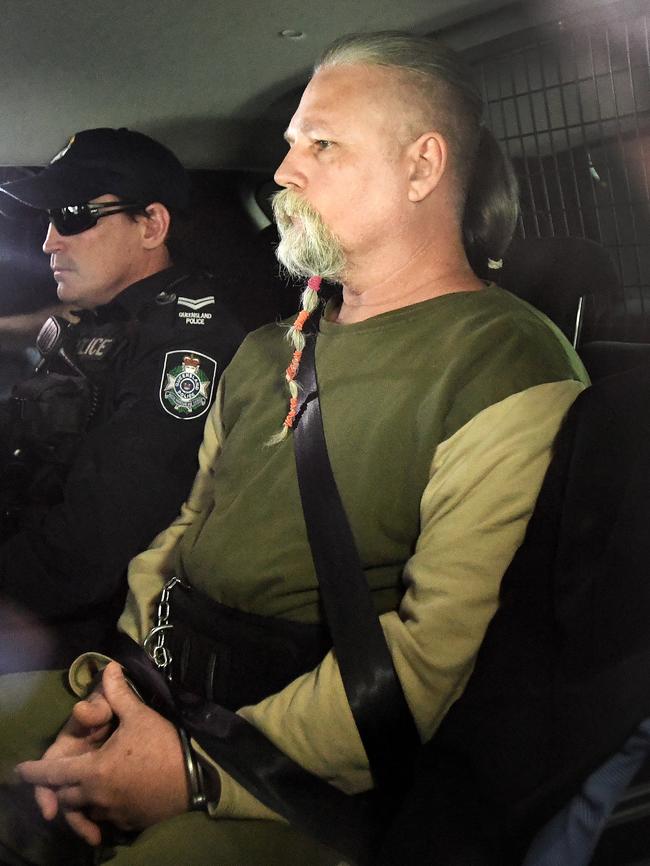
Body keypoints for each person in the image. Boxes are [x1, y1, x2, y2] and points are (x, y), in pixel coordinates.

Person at [0, 33, 589, 866]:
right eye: (287, 147)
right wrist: (122, 687)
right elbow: (179, 535)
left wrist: (193, 771)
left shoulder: (505, 363)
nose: (283, 172)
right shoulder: (270, 346)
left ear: (421, 167)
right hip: (165, 694)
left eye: (321, 144)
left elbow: (431, 662)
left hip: (301, 772)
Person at [0, 128, 244, 670]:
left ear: (152, 225)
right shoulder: (108, 321)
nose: (49, 241)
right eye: (47, 219)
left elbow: (88, 556)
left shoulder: (184, 345)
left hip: (86, 640)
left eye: (72, 214)